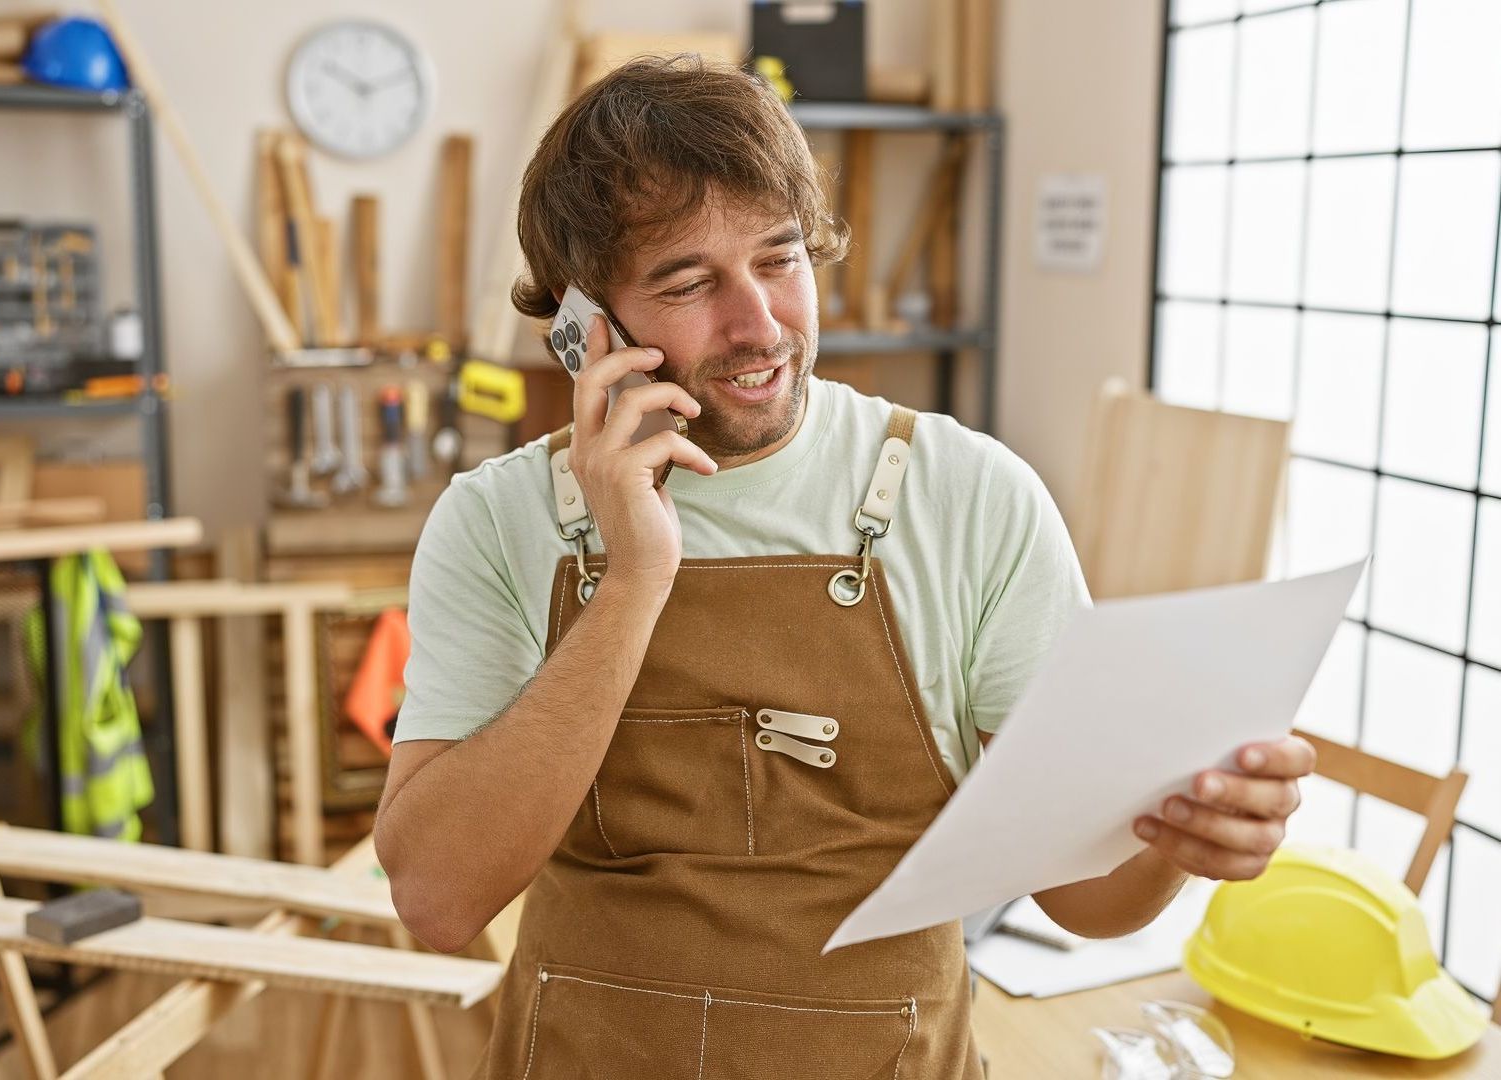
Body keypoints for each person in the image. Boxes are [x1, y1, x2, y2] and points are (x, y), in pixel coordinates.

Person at [375, 56, 1316, 1080]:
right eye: (690, 283)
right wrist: (634, 580)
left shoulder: (970, 496)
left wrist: (1184, 837)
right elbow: (440, 899)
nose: (759, 324)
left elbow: (1082, 899)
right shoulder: (497, 520)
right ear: (583, 325)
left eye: (780, 261)